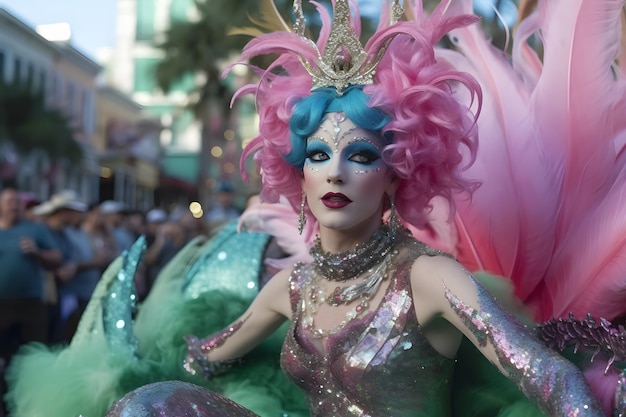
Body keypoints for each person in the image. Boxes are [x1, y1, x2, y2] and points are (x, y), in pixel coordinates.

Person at [173, 0, 605, 416]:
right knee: (150, 403)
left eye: (361, 156)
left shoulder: (427, 277)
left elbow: (545, 373)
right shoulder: (293, 287)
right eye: (318, 155)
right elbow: (204, 359)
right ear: (299, 174)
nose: (335, 173)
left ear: (394, 175)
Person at [0, 186, 61, 416]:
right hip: (1, 305)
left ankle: (30, 407)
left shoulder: (35, 230)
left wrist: (37, 253)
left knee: (32, 358)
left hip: (30, 305)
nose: (13, 205)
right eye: (8, 201)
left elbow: (56, 258)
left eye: (17, 201)